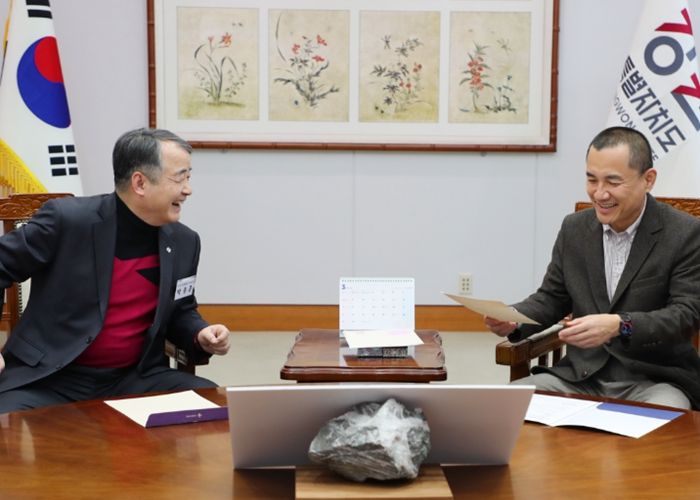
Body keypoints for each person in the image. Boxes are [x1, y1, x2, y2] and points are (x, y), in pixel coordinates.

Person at [0, 128, 230, 413]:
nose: (188, 189)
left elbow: (181, 310)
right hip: (49, 379)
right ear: (140, 183)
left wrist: (200, 333)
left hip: (135, 378)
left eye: (189, 177)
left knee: (213, 406)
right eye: (179, 178)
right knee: (5, 426)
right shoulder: (69, 220)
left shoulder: (184, 241)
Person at [485, 126, 700, 410]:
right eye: (591, 179)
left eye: (613, 182)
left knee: (664, 423)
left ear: (648, 179)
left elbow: (686, 315)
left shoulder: (684, 233)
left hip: (654, 380)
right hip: (579, 378)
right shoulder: (574, 228)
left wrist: (620, 325)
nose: (599, 193)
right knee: (501, 407)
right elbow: (552, 297)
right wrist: (514, 318)